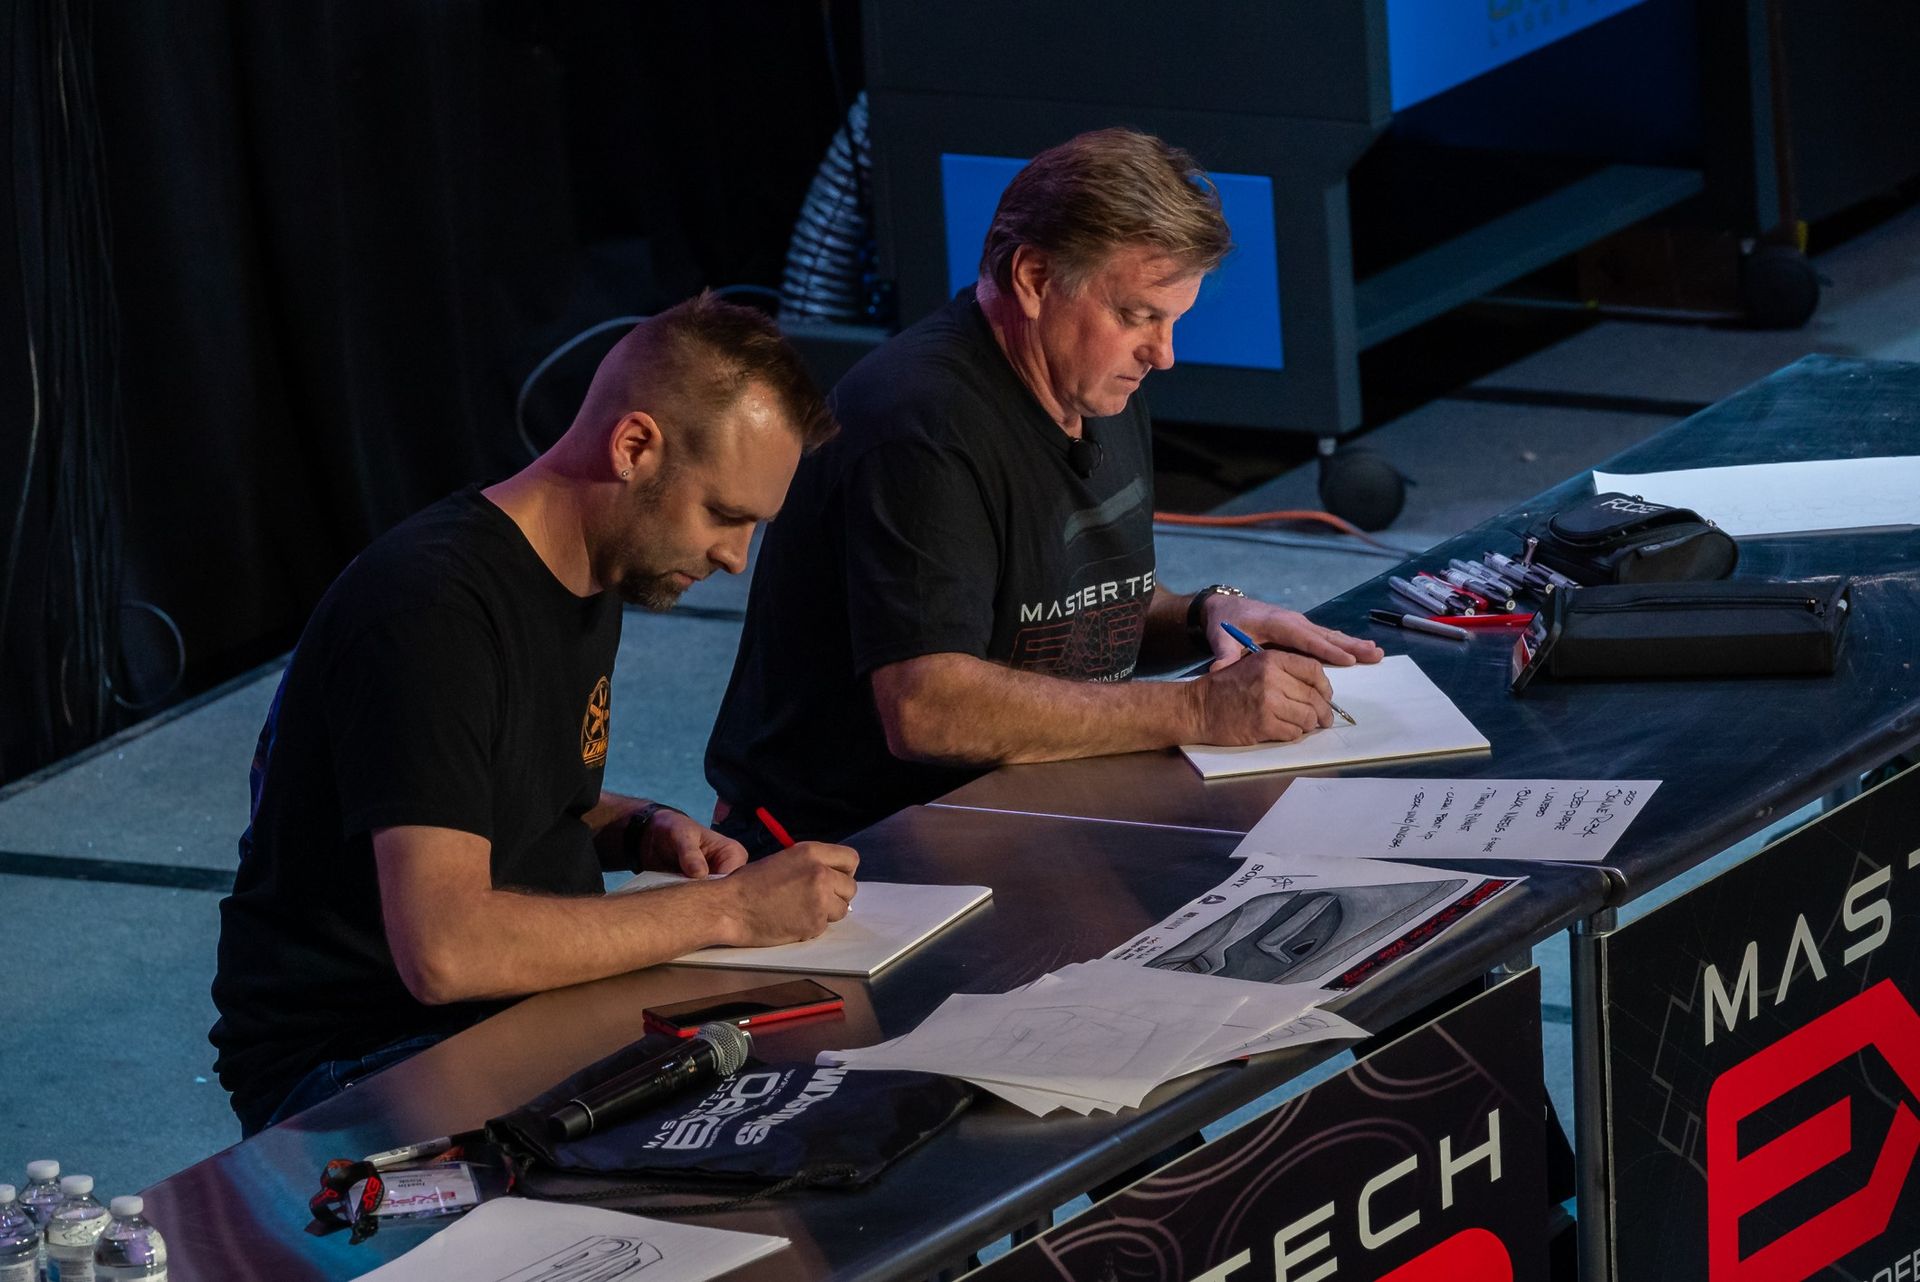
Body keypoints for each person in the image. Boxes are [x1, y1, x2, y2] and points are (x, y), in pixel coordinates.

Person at [210, 293, 857, 1136]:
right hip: (364, 1060)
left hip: (498, 1016)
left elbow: (496, 792)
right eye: (723, 515)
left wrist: (641, 828)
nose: (735, 558)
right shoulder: (430, 610)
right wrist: (731, 908)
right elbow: (446, 950)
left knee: (819, 1082)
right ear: (634, 448)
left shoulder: (590, 571)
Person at [706, 128, 1383, 847]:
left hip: (1016, 802)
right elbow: (928, 708)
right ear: (1033, 278)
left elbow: (1071, 612)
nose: (1163, 354)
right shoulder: (920, 425)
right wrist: (1197, 709)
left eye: (1172, 320)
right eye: (1138, 315)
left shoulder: (1092, 381)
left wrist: (1206, 614)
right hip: (853, 844)